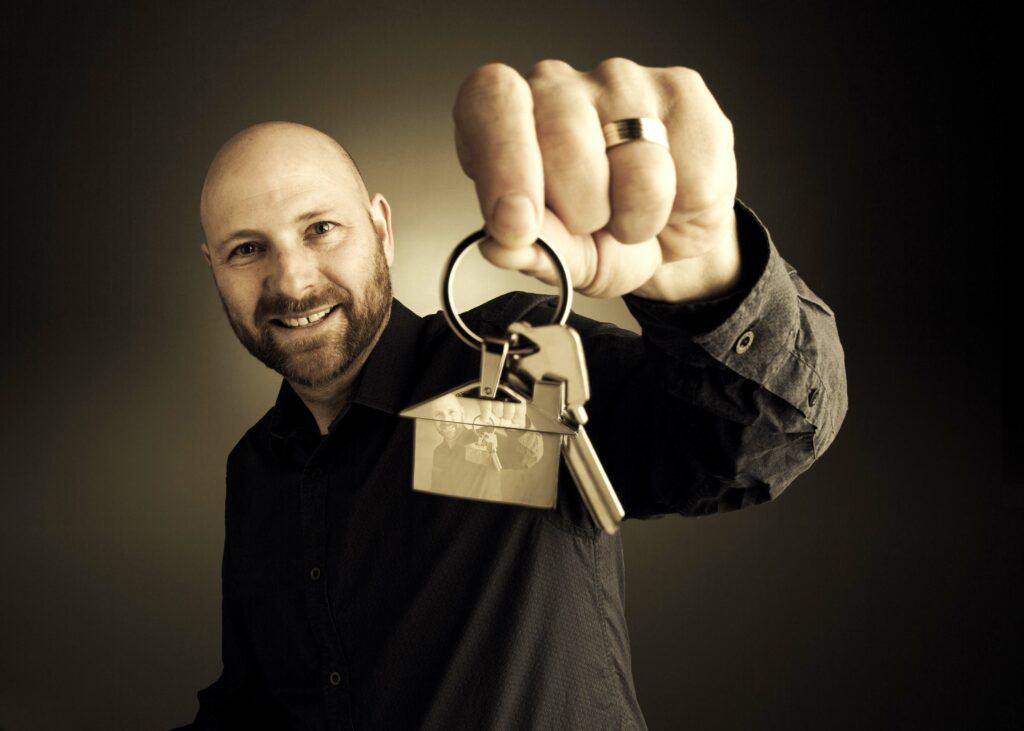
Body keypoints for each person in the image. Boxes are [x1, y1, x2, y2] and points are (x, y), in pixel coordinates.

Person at [176, 58, 848, 729]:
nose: (293, 282)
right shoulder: (255, 468)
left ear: (381, 228)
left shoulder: (520, 364)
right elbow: (255, 707)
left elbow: (763, 437)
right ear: (214, 267)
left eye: (320, 228)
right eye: (246, 249)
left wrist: (701, 272)